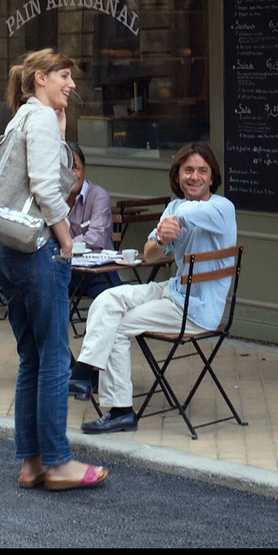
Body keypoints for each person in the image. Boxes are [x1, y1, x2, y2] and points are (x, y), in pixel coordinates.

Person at [0, 49, 108, 491]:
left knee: (31, 357)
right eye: (64, 76)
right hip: (37, 252)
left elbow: (9, 185)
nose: (71, 84)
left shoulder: (23, 118)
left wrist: (63, 131)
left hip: (6, 254)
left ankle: (31, 463)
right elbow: (46, 189)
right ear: (39, 79)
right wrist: (67, 241)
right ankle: (57, 462)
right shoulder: (42, 121)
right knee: (54, 358)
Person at [69, 142, 237, 434]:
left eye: (202, 171)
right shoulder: (174, 208)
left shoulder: (222, 207)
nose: (194, 177)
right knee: (109, 298)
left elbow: (186, 214)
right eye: (188, 170)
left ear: (212, 177)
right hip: (173, 290)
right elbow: (149, 255)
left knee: (118, 326)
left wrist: (169, 223)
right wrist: (160, 240)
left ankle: (119, 409)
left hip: (196, 308)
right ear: (177, 175)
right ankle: (83, 373)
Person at [65, 143, 121, 302]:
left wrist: (63, 244)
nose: (71, 174)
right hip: (67, 271)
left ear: (84, 170)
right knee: (41, 288)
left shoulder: (98, 195)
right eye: (65, 169)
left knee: (112, 302)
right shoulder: (52, 198)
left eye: (75, 168)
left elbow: (96, 239)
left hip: (99, 271)